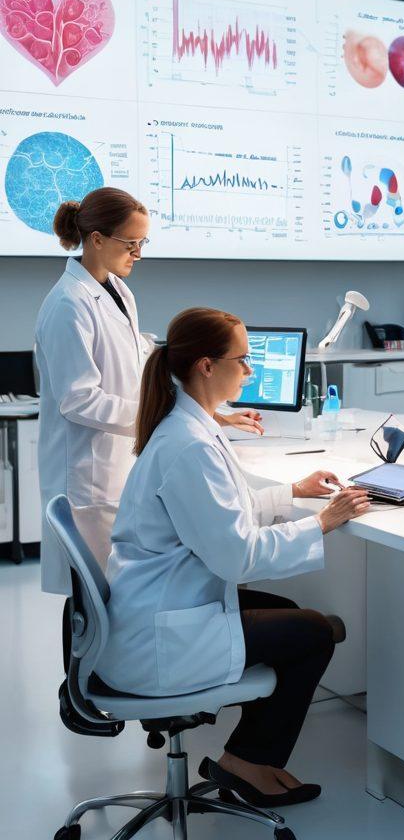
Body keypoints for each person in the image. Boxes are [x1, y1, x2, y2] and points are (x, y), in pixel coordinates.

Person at [96, 307, 370, 805]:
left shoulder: (190, 427)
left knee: (288, 613)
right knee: (313, 632)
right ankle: (246, 765)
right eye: (242, 359)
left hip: (159, 607)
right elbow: (237, 555)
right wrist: (322, 522)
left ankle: (249, 757)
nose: (249, 369)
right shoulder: (189, 444)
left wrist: (291, 491)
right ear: (206, 366)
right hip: (158, 638)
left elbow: (221, 514)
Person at [36, 188, 263, 594]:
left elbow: (135, 360)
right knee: (92, 598)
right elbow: (79, 399)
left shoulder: (118, 290)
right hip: (89, 478)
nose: (138, 253)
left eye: (143, 242)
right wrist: (159, 418)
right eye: (131, 243)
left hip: (118, 466)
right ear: (97, 239)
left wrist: (210, 412)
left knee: (116, 593)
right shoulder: (68, 304)